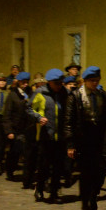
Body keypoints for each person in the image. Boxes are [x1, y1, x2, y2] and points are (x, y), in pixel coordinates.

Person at [64, 65, 106, 210]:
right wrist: (71, 143)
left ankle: (93, 199)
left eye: (97, 80)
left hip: (99, 139)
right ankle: (85, 205)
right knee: (86, 175)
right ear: (84, 81)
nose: (94, 83)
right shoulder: (75, 96)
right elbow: (69, 121)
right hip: (83, 140)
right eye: (92, 81)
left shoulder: (101, 95)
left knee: (99, 174)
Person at [31, 69, 68, 203]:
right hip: (46, 135)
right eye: (56, 83)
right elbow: (29, 108)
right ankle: (39, 189)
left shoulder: (64, 93)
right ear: (50, 82)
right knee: (44, 165)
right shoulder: (40, 93)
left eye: (60, 83)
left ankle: (54, 192)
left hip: (61, 136)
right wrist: (38, 117)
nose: (59, 86)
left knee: (58, 166)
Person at [2, 71, 32, 182]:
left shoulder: (30, 93)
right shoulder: (12, 95)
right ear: (18, 82)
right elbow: (7, 114)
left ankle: (27, 175)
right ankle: (10, 170)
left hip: (28, 128)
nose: (25, 85)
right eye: (23, 82)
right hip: (16, 128)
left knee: (28, 154)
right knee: (15, 152)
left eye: (27, 82)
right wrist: (8, 130)